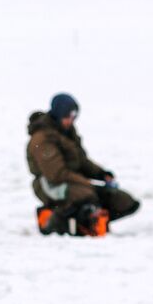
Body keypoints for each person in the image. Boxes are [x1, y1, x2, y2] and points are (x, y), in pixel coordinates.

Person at [27, 93, 140, 235]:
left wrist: (101, 174)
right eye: (67, 116)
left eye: (74, 116)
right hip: (49, 185)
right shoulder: (42, 139)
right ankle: (53, 223)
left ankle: (85, 220)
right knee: (86, 195)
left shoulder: (68, 132)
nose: (70, 120)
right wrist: (87, 183)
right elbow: (56, 174)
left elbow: (81, 161)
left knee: (123, 201)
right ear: (58, 113)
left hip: (75, 181)